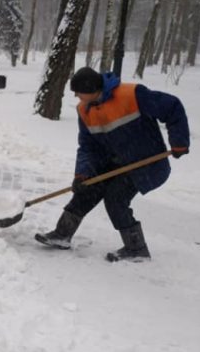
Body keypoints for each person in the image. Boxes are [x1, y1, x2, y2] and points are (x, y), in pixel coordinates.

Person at [35, 66, 190, 262]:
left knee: (115, 198)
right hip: (115, 163)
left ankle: (136, 249)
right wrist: (82, 174)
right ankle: (62, 234)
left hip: (147, 164)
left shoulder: (132, 95)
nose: (75, 95)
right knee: (86, 189)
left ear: (91, 89)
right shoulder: (84, 110)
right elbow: (87, 146)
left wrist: (179, 142)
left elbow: (172, 107)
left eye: (78, 91)